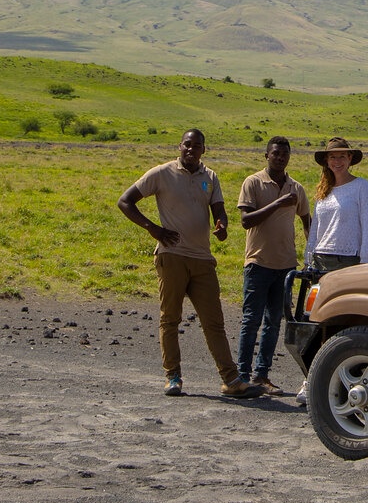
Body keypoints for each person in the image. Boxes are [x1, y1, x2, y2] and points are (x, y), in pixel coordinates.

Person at [117, 129, 260, 399]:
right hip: (171, 256)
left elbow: (219, 210)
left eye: (197, 146)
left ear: (204, 150)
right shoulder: (161, 173)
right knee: (170, 319)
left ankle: (231, 380)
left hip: (202, 259)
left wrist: (222, 226)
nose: (191, 150)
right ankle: (173, 377)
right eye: (187, 145)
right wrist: (153, 229)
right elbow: (125, 202)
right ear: (179, 146)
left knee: (214, 322)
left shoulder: (210, 177)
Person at [235, 135, 311, 395]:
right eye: (276, 153)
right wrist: (277, 204)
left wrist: (310, 250)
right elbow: (246, 221)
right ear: (266, 155)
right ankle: (241, 375)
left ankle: (262, 376)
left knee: (273, 323)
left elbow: (306, 220)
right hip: (258, 262)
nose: (280, 158)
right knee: (251, 320)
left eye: (285, 154)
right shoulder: (253, 183)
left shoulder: (296, 188)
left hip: (286, 264)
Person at [305, 136, 368, 272]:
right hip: (320, 259)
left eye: (342, 156)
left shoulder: (361, 186)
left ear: (349, 158)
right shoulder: (324, 189)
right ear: (327, 160)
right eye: (332, 157)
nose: (337, 162)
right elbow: (315, 228)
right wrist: (308, 260)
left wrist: (364, 262)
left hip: (347, 260)